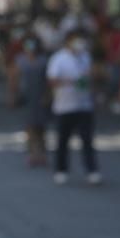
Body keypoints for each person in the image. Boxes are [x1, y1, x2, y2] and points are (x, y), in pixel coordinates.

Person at [46, 28, 101, 186]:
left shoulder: (85, 56)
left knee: (87, 140)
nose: (80, 43)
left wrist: (94, 90)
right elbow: (52, 80)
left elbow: (92, 78)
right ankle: (61, 170)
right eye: (77, 39)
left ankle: (92, 170)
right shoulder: (59, 58)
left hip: (84, 105)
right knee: (63, 140)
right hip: (64, 106)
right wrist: (70, 82)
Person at [17, 36, 49, 168]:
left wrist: (48, 95)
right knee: (29, 127)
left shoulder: (43, 61)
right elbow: (15, 77)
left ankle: (41, 153)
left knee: (41, 127)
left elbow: (48, 80)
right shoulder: (20, 60)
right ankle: (31, 153)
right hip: (27, 97)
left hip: (40, 96)